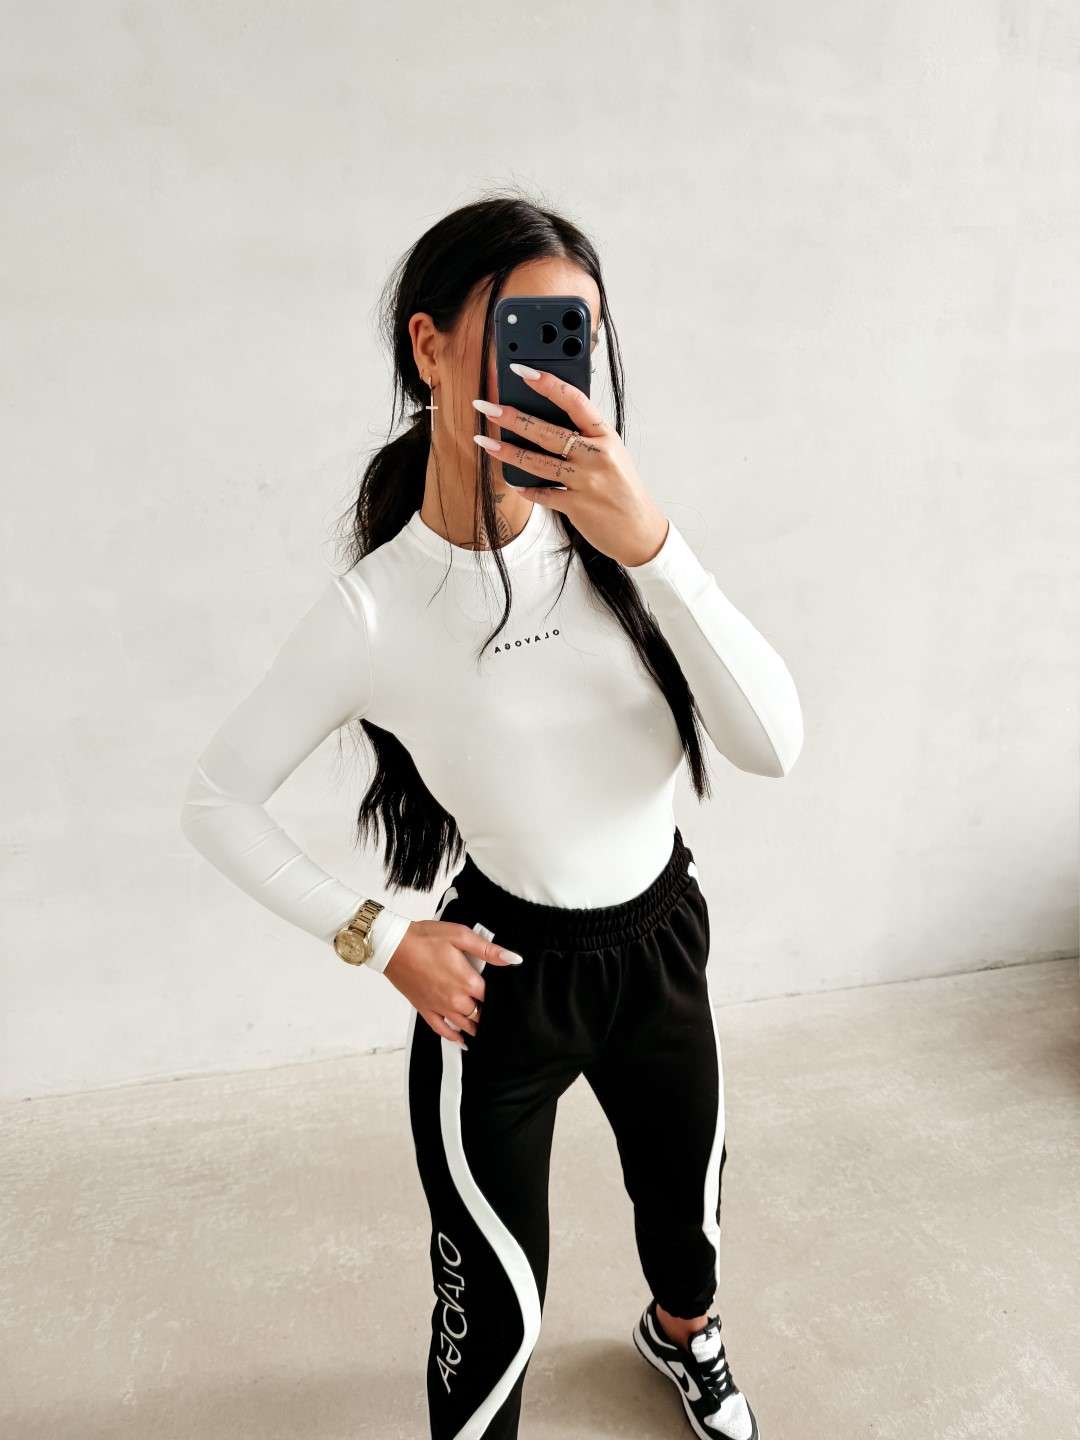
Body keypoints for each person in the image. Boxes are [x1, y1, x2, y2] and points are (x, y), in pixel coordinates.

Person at [179, 192, 803, 1440]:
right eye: (523, 331)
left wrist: (656, 543)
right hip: (503, 987)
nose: (553, 365)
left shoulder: (621, 546)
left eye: (577, 336)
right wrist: (380, 937)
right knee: (493, 1321)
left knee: (688, 1221)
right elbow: (216, 800)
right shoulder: (377, 609)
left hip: (661, 949)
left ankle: (683, 1335)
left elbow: (772, 745)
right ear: (430, 348)